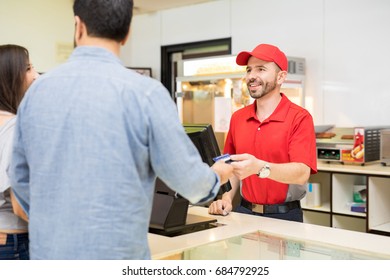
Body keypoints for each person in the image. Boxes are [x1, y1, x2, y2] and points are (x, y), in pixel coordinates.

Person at [8, 0, 233, 260]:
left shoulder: (37, 93)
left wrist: (54, 224)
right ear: (127, 34)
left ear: (78, 26)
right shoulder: (146, 94)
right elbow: (192, 184)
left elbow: (20, 179)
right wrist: (217, 174)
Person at [208, 43, 317, 222]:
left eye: (261, 69)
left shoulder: (300, 118)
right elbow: (231, 166)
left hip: (285, 216)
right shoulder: (238, 118)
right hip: (244, 212)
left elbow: (301, 173)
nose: (252, 76)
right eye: (249, 70)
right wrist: (225, 197)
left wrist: (259, 167)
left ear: (281, 77)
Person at [0, 44, 39, 260]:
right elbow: (20, 205)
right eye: (28, 69)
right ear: (9, 76)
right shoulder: (14, 127)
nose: (36, 75)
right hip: (12, 245)